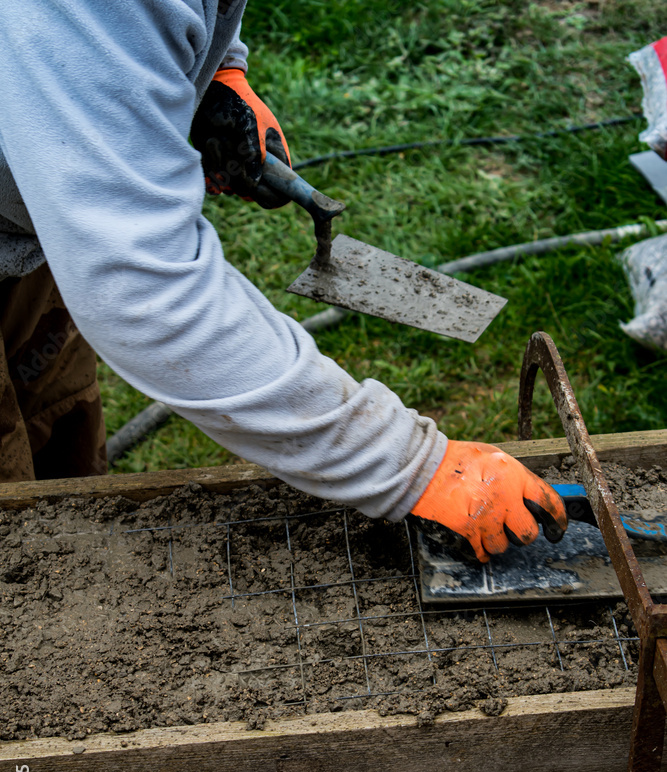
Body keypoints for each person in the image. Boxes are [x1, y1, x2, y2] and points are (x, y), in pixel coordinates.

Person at [0, 0, 566, 563]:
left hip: (35, 220)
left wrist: (220, 70)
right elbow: (139, 287)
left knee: (58, 442)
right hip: (67, 219)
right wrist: (411, 467)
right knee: (16, 541)